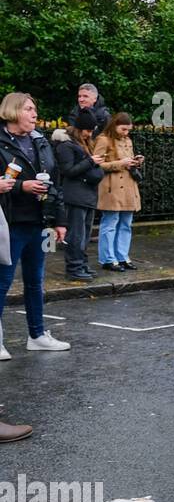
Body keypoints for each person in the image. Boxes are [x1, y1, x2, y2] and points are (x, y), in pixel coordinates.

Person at [0, 92, 70, 357]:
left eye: (34, 109)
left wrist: (60, 220)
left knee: (35, 281)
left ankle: (38, 334)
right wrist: (21, 186)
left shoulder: (40, 141)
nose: (34, 114)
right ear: (13, 111)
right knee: (2, 282)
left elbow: (55, 183)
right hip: (9, 223)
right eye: (29, 109)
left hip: (41, 223)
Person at [52, 111, 105, 281]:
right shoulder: (66, 145)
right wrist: (91, 161)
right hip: (75, 196)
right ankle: (74, 268)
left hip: (87, 195)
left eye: (91, 131)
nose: (90, 134)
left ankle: (81, 264)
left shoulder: (82, 143)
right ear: (79, 129)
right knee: (76, 235)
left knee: (84, 235)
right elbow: (67, 171)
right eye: (87, 130)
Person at [92, 113, 143, 271]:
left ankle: (122, 256)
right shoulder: (103, 139)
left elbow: (128, 161)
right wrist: (120, 163)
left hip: (128, 185)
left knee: (126, 224)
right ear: (114, 125)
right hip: (111, 187)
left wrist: (136, 161)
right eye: (123, 129)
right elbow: (96, 164)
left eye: (128, 130)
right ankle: (108, 258)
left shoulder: (127, 140)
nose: (126, 133)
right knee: (110, 223)